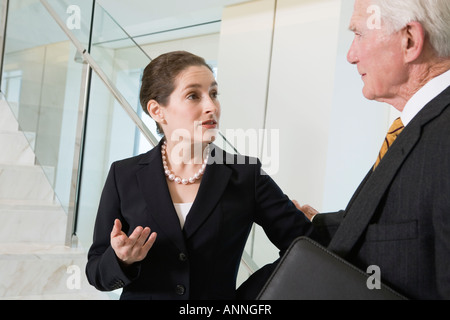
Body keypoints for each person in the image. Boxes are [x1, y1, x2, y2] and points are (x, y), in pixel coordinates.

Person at [85, 51, 314, 300]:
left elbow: (307, 246)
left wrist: (245, 298)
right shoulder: (124, 175)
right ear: (157, 110)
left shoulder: (246, 176)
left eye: (213, 94)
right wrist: (121, 260)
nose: (211, 106)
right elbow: (96, 273)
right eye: (193, 95)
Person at [297, 0, 450, 299]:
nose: (350, 56)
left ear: (410, 40)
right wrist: (311, 221)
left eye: (359, 34)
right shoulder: (415, 127)